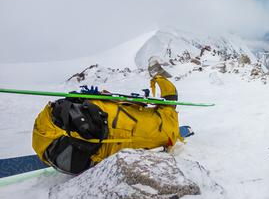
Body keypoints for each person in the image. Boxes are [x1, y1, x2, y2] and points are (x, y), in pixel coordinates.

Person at [32, 75, 182, 175]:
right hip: (66, 140)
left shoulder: (164, 126)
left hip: (52, 131)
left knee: (121, 125)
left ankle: (76, 125)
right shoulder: (165, 129)